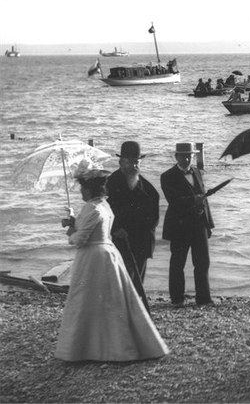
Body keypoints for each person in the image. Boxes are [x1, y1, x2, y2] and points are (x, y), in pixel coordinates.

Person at [55, 160, 168, 362]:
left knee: (86, 301)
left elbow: (80, 239)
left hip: (92, 257)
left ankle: (87, 347)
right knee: (109, 301)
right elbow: (89, 228)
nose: (81, 193)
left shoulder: (91, 208)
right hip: (108, 253)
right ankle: (108, 345)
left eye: (82, 188)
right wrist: (73, 221)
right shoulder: (104, 205)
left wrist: (71, 233)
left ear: (88, 190)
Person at [160, 143, 215, 307]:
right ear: (176, 157)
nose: (186, 159)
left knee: (203, 262)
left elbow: (204, 200)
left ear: (193, 157)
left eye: (189, 156)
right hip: (179, 226)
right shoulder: (167, 176)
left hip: (199, 225)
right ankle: (177, 299)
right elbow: (174, 201)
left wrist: (208, 225)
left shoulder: (197, 171)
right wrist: (194, 200)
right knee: (178, 263)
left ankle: (204, 299)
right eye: (182, 156)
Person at [106, 141, 159, 298]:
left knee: (137, 284)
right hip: (121, 240)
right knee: (121, 281)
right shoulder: (111, 183)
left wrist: (144, 229)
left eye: (136, 161)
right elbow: (105, 211)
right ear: (121, 162)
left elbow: (154, 217)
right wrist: (116, 229)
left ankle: (136, 313)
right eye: (129, 161)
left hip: (141, 241)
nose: (134, 165)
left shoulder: (148, 188)